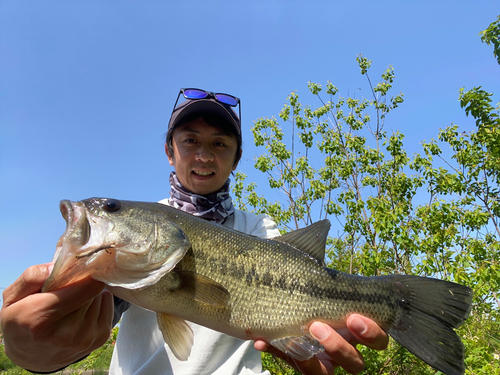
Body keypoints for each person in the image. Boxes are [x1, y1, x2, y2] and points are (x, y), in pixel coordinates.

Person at [0, 88, 389, 375]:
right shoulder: (123, 262)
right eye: (190, 141)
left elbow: (289, 302)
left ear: (236, 158)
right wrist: (36, 350)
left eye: (220, 144)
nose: (204, 155)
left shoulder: (258, 230)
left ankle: (396, 305)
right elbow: (84, 330)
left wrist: (311, 348)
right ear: (170, 151)